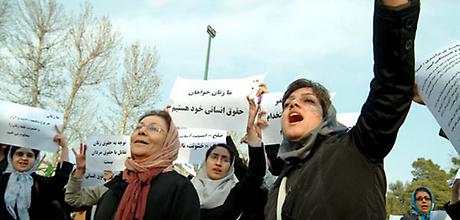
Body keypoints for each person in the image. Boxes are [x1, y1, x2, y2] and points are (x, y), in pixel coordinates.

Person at [264, 0, 421, 219]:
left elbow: (391, 86)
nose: (293, 105)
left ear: (326, 115)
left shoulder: (358, 146)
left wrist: (395, 12)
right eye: (288, 103)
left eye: (308, 100)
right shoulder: (279, 186)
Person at [93, 110, 200, 220]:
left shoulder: (179, 187)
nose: (142, 131)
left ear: (169, 142)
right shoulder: (118, 183)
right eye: (138, 127)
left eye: (154, 128)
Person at [191, 96, 266, 220]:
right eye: (214, 157)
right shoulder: (185, 190)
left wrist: (250, 129)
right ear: (205, 161)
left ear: (231, 166)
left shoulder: (235, 193)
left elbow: (256, 172)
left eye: (226, 159)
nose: (219, 163)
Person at [0, 128, 73, 220]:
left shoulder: (40, 183)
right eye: (19, 154)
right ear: (11, 157)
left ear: (36, 160)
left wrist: (64, 147)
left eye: (30, 155)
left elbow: (61, 178)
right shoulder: (1, 179)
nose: (24, 158)